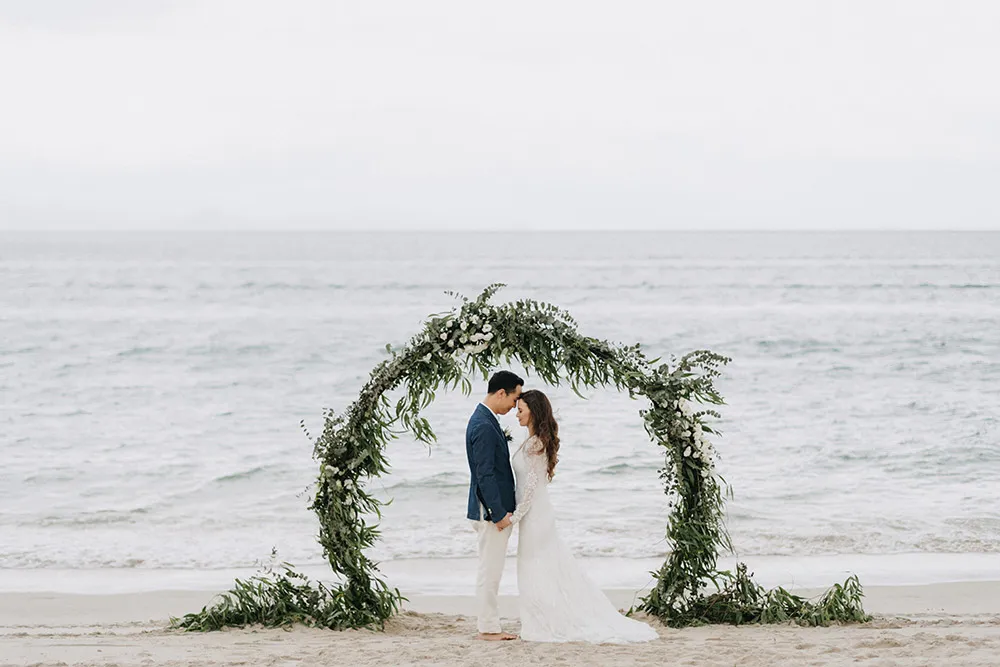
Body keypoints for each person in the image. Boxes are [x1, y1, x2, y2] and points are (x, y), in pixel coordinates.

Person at [509, 389, 658, 643]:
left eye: (520, 409)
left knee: (537, 567)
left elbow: (531, 488)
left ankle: (546, 620)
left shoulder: (535, 444)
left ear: (533, 411)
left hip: (536, 516)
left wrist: (513, 518)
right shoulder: (531, 440)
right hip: (535, 514)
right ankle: (540, 616)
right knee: (539, 566)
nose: (516, 414)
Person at [465, 370, 522, 641]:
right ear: (502, 393)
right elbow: (484, 474)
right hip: (490, 512)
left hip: (491, 510)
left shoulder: (487, 420)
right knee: (490, 569)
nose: (514, 406)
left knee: (491, 568)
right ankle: (488, 628)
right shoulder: (483, 425)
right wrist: (498, 513)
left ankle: (488, 624)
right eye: (514, 399)